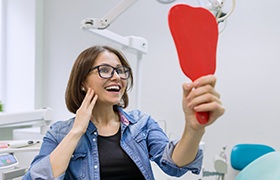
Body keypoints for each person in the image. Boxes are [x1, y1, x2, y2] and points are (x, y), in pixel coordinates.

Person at [23, 45, 224, 180]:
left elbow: (174, 165)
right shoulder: (59, 133)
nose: (117, 77)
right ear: (83, 82)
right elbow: (38, 177)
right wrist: (77, 130)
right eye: (105, 70)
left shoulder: (141, 124)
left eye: (121, 71)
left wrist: (193, 129)